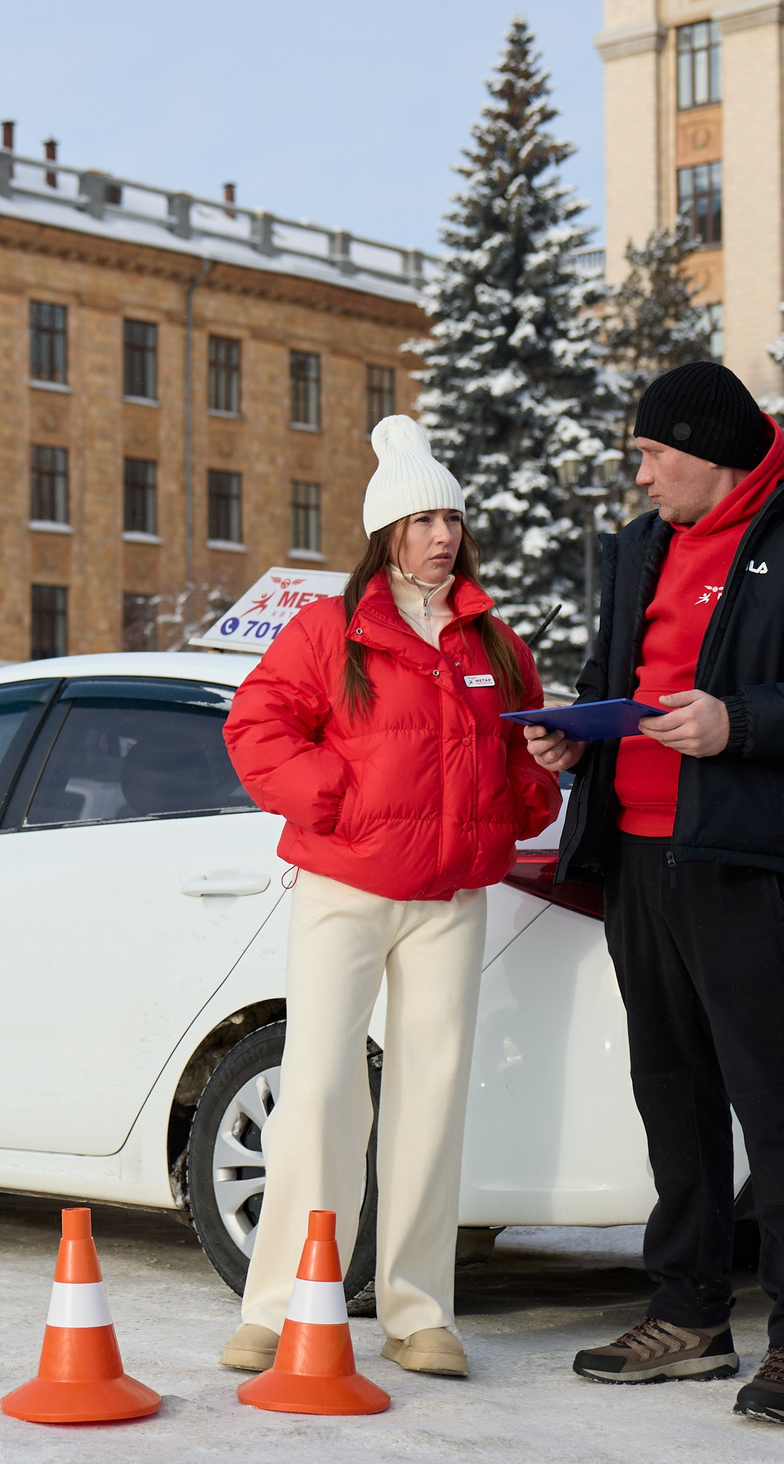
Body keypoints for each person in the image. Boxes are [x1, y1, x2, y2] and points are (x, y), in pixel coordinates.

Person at [524, 361, 784, 1427]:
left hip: (748, 861)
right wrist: (577, 738)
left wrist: (736, 722)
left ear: (708, 450)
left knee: (779, 1099)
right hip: (639, 858)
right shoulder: (643, 547)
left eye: (651, 453)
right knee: (673, 1094)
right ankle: (688, 1315)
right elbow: (626, 675)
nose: (640, 473)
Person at [220, 414, 561, 1380]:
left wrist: (545, 767)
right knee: (323, 1088)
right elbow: (257, 727)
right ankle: (281, 1303)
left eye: (449, 515)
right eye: (419, 519)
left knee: (430, 1097)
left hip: (451, 898)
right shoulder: (331, 628)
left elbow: (526, 784)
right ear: (385, 533)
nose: (440, 533)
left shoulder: (495, 639)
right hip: (346, 886)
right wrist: (335, 798)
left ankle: (419, 1312)